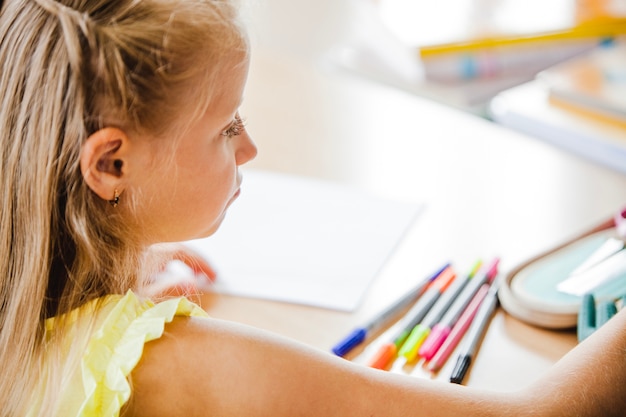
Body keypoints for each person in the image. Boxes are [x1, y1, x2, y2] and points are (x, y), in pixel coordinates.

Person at [1, 0, 625, 416]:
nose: (249, 147)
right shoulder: (172, 363)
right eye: (225, 127)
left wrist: (126, 258)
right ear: (111, 165)